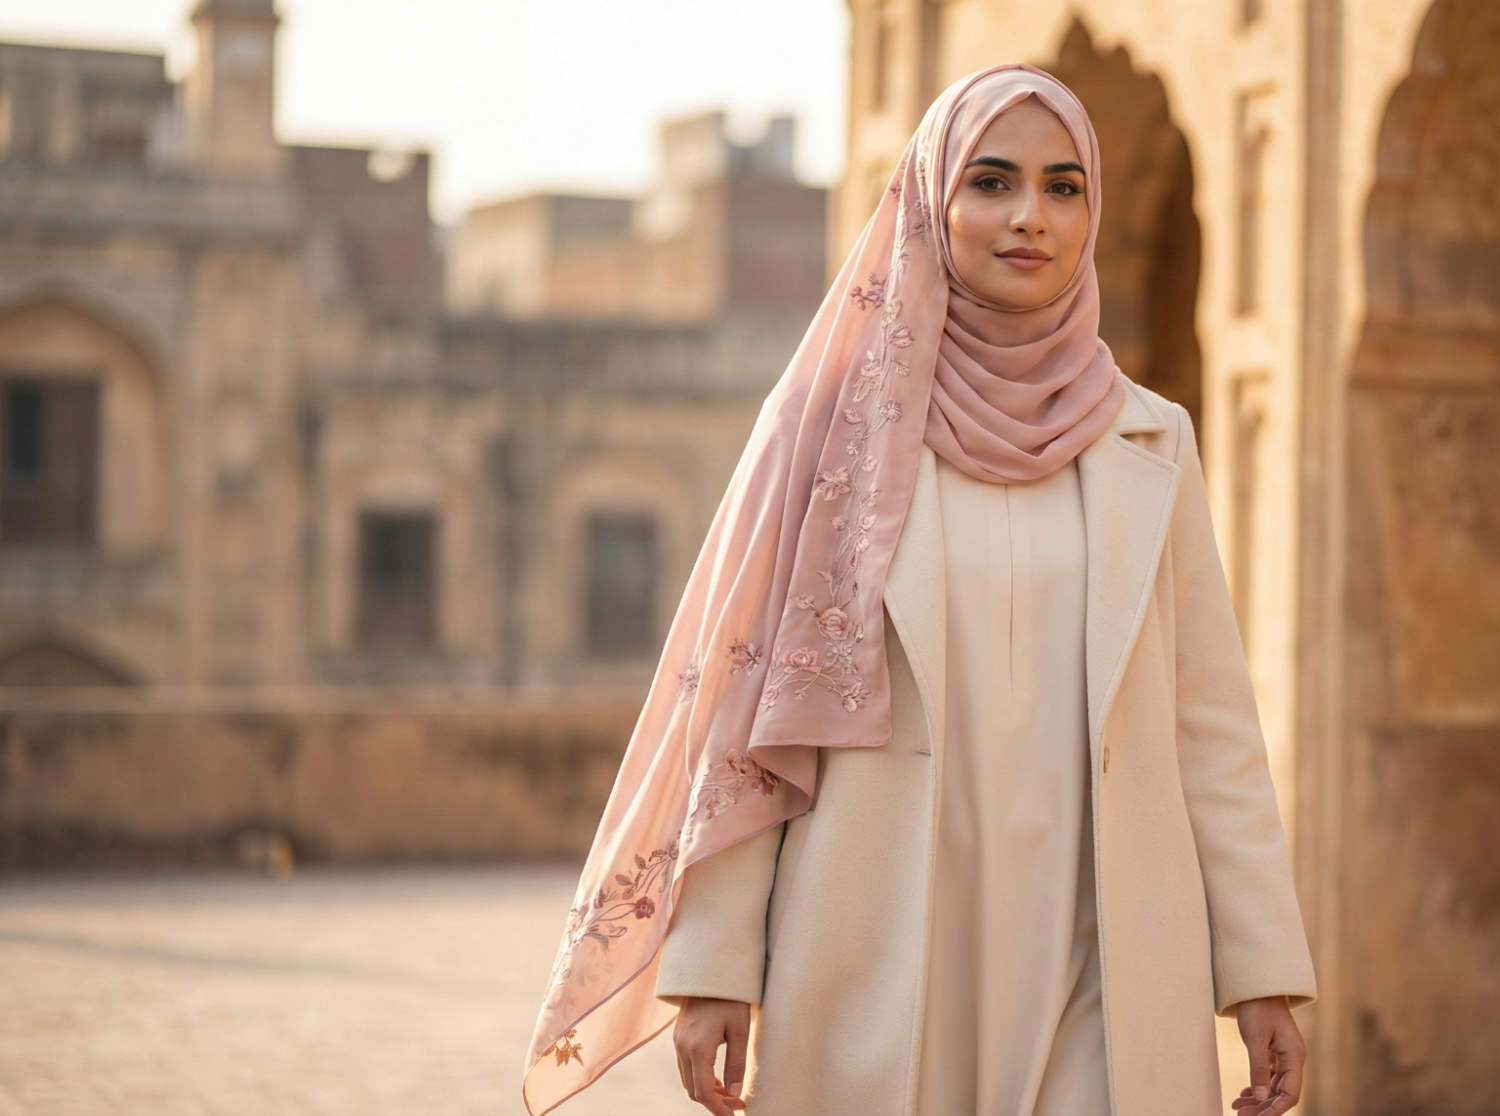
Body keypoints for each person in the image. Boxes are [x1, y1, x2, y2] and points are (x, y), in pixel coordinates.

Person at [524, 65, 1315, 1116]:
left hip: (1099, 937)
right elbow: (743, 704)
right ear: (928, 206)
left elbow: (1211, 724)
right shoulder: (827, 428)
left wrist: (1260, 965)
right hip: (881, 928)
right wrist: (715, 963)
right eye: (990, 182)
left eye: (1063, 186)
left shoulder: (1148, 439)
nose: (1030, 216)